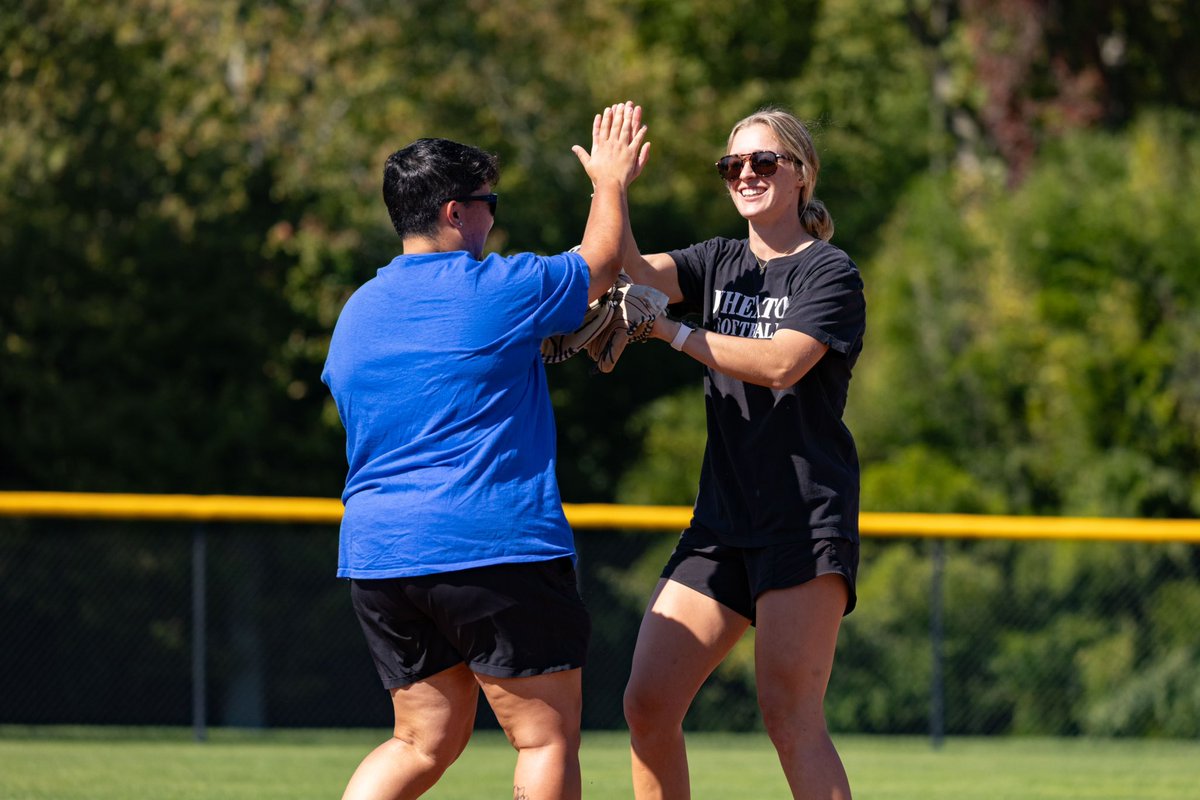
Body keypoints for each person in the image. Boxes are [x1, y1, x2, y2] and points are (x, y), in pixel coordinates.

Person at [321, 102, 650, 800]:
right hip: (491, 546)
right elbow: (597, 264)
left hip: (381, 557)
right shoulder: (495, 287)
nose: (491, 221)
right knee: (543, 737)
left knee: (420, 741)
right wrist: (610, 181)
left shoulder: (357, 312)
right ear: (453, 212)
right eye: (487, 205)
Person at [620, 108, 865, 800]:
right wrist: (612, 189)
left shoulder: (829, 272)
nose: (746, 174)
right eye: (733, 165)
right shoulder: (717, 261)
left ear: (801, 174)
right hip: (723, 523)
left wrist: (670, 331)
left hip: (802, 519)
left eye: (763, 162)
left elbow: (782, 364)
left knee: (790, 717)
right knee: (648, 704)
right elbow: (627, 269)